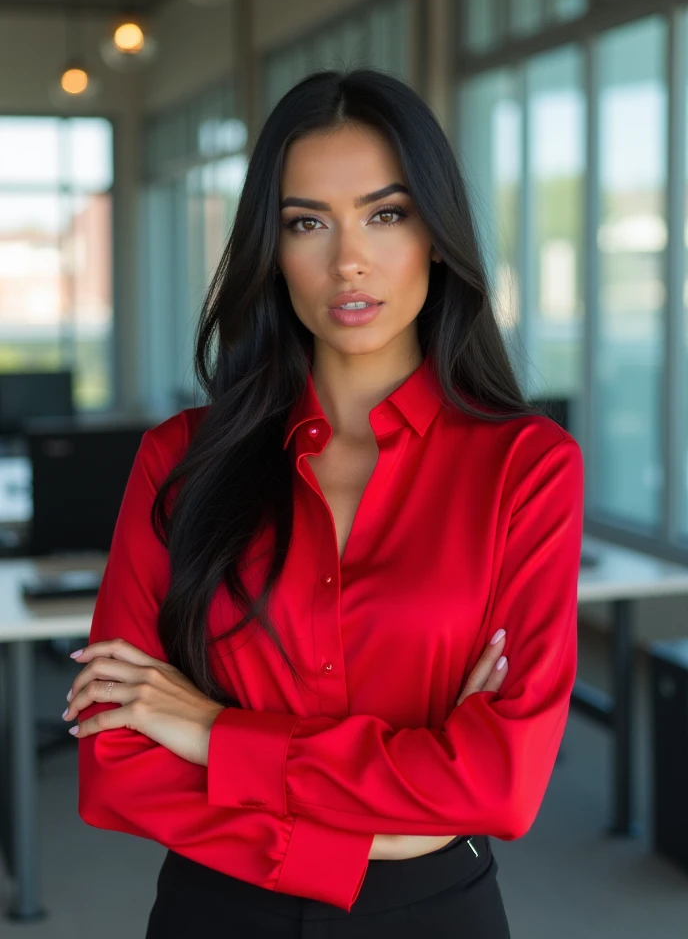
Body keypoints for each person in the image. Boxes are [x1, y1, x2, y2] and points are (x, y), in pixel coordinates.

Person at [64, 68, 584, 937]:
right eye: (308, 222)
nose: (349, 259)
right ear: (272, 249)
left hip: (434, 916)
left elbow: (497, 784)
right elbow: (117, 763)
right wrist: (393, 824)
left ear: (438, 236)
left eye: (387, 213)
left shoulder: (526, 470)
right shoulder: (178, 462)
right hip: (216, 914)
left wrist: (211, 732)